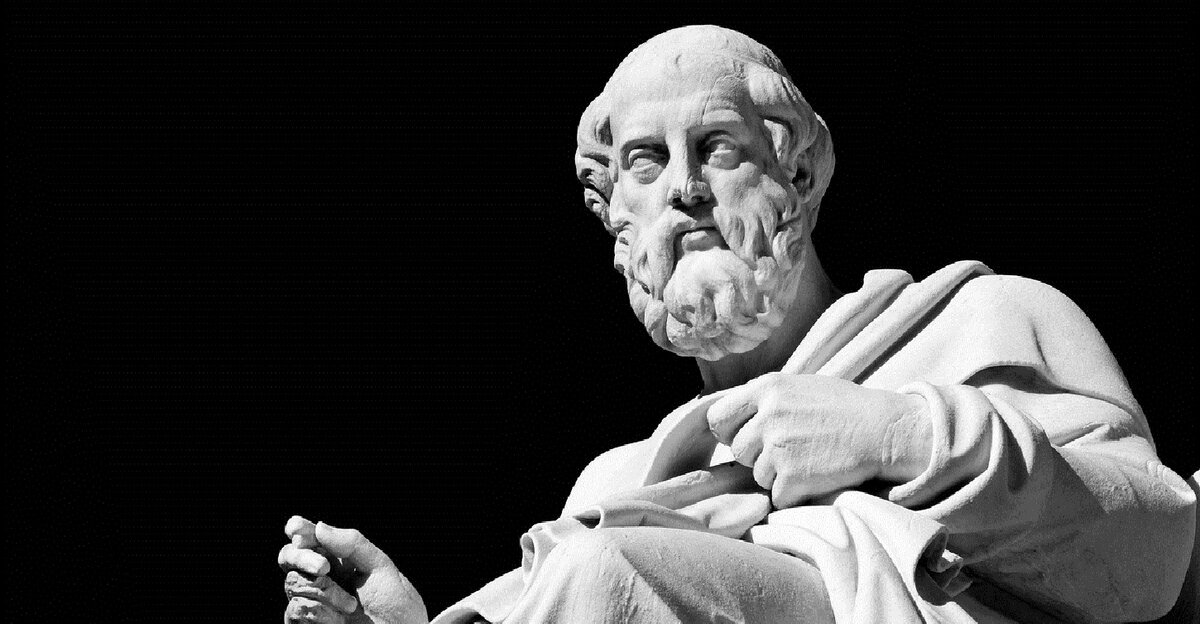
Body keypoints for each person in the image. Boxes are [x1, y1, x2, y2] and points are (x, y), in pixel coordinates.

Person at [278, 25, 1196, 623]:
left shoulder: (984, 321)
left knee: (605, 577)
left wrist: (899, 435)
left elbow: (1156, 557)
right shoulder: (624, 478)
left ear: (799, 174)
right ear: (616, 216)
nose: (684, 189)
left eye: (717, 147)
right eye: (646, 163)